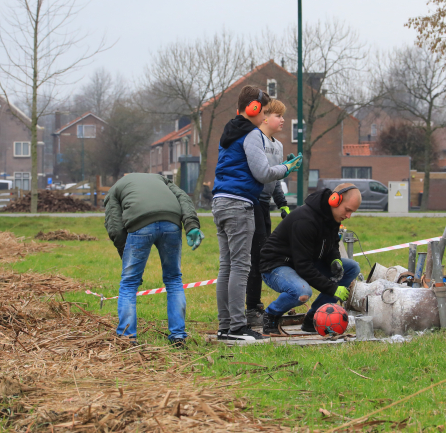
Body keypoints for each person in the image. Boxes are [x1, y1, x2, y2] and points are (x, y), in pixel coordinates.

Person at [212, 85, 302, 343]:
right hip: (239, 204)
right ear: (252, 109)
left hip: (220, 202)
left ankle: (225, 327)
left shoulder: (229, 131)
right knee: (241, 267)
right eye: (263, 111)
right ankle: (237, 327)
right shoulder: (251, 134)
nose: (264, 117)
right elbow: (262, 173)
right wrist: (286, 168)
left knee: (227, 266)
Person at [103, 173, 204, 347]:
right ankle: (178, 335)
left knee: (129, 283)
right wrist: (191, 225)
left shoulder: (115, 189)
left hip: (140, 224)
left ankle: (127, 337)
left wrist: (125, 256)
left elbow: (116, 228)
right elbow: (183, 198)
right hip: (171, 222)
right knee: (174, 279)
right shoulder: (161, 179)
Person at [259, 183, 362, 335]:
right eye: (347, 210)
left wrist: (335, 260)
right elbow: (303, 267)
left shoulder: (333, 217)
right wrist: (333, 288)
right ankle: (271, 315)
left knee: (352, 268)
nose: (348, 216)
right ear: (334, 200)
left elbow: (332, 243)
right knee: (301, 292)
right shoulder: (305, 221)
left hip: (304, 261)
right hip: (275, 266)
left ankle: (313, 317)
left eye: (351, 212)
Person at [246, 98, 290, 326]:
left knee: (265, 253)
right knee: (257, 255)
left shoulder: (279, 146)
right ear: (265, 117)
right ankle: (252, 307)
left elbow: (276, 177)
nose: (283, 120)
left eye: (283, 116)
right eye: (278, 116)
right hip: (251, 202)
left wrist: (282, 203)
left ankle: (260, 303)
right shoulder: (256, 140)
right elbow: (262, 173)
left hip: (265, 205)